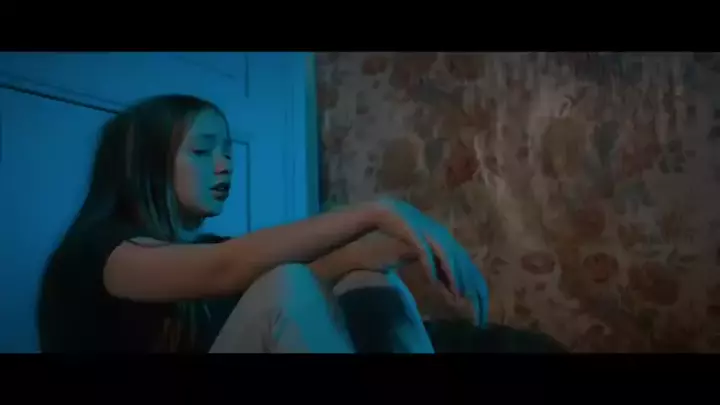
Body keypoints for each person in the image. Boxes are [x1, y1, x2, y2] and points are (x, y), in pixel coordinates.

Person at [36, 94, 466, 353]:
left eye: (227, 151)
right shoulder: (100, 252)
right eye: (203, 151)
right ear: (148, 164)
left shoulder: (202, 249)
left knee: (366, 279)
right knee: (285, 286)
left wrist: (415, 244)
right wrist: (377, 211)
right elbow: (228, 267)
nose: (224, 165)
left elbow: (330, 264)